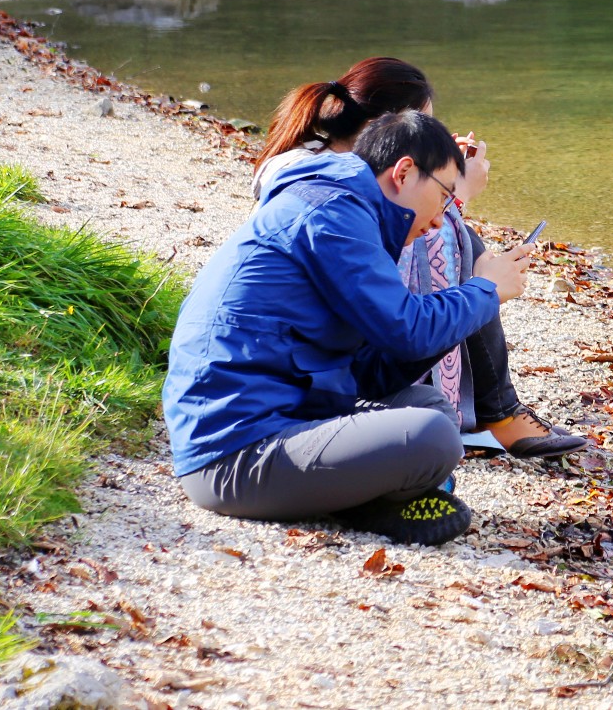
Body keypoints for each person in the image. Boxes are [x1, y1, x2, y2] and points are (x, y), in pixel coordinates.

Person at [165, 111, 531, 544]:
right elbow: (408, 330)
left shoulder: (344, 206)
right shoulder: (334, 213)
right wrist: (484, 291)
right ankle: (369, 502)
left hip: (289, 414)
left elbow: (372, 371)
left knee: (427, 406)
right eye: (446, 195)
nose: (441, 217)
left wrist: (474, 298)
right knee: (433, 438)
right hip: (233, 455)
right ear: (404, 172)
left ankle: (365, 499)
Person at [251, 58, 586, 460]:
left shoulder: (320, 164)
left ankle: (494, 410)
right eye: (420, 127)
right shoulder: (325, 191)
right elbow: (390, 246)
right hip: (300, 377)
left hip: (307, 360)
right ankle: (499, 412)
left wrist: (436, 177)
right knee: (457, 240)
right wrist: (455, 191)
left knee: (459, 242)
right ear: (387, 128)